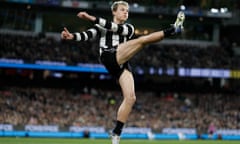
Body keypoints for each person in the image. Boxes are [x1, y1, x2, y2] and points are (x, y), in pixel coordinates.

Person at [61, 1, 185, 144]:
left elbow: (113, 28)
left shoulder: (129, 28)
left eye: (127, 10)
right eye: (122, 10)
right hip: (109, 56)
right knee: (142, 40)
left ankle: (116, 133)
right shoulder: (101, 26)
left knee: (131, 98)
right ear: (114, 12)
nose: (126, 12)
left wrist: (91, 17)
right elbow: (88, 34)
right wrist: (72, 37)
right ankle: (173, 30)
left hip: (121, 63)